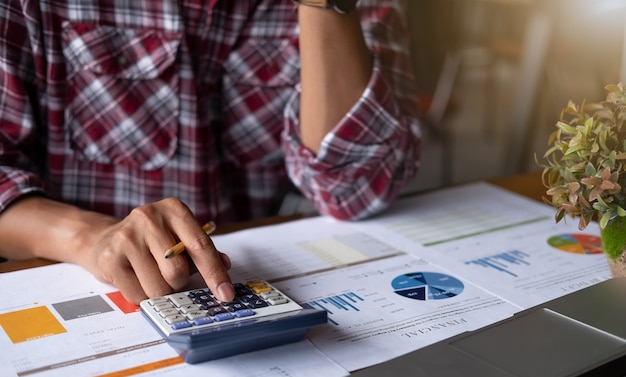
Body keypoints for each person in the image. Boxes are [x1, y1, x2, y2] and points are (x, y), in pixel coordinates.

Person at [0, 0, 421, 304]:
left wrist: (325, 6)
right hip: (89, 292)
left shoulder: (361, 6)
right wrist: (89, 238)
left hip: (263, 286)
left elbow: (354, 192)